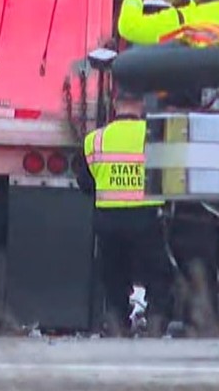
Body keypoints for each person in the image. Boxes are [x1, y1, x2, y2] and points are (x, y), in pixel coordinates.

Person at [113, 0, 219, 337]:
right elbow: (209, 16)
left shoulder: (186, 23)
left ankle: (202, 319)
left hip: (193, 141)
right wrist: (180, 0)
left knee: (194, 234)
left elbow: (130, 27)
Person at [75, 109, 179, 334]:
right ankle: (156, 320)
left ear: (114, 109)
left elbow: (84, 183)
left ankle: (117, 322)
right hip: (147, 218)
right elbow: (171, 177)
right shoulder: (153, 137)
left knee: (113, 273)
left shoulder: (95, 139)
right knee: (158, 272)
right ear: (141, 108)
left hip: (108, 221)